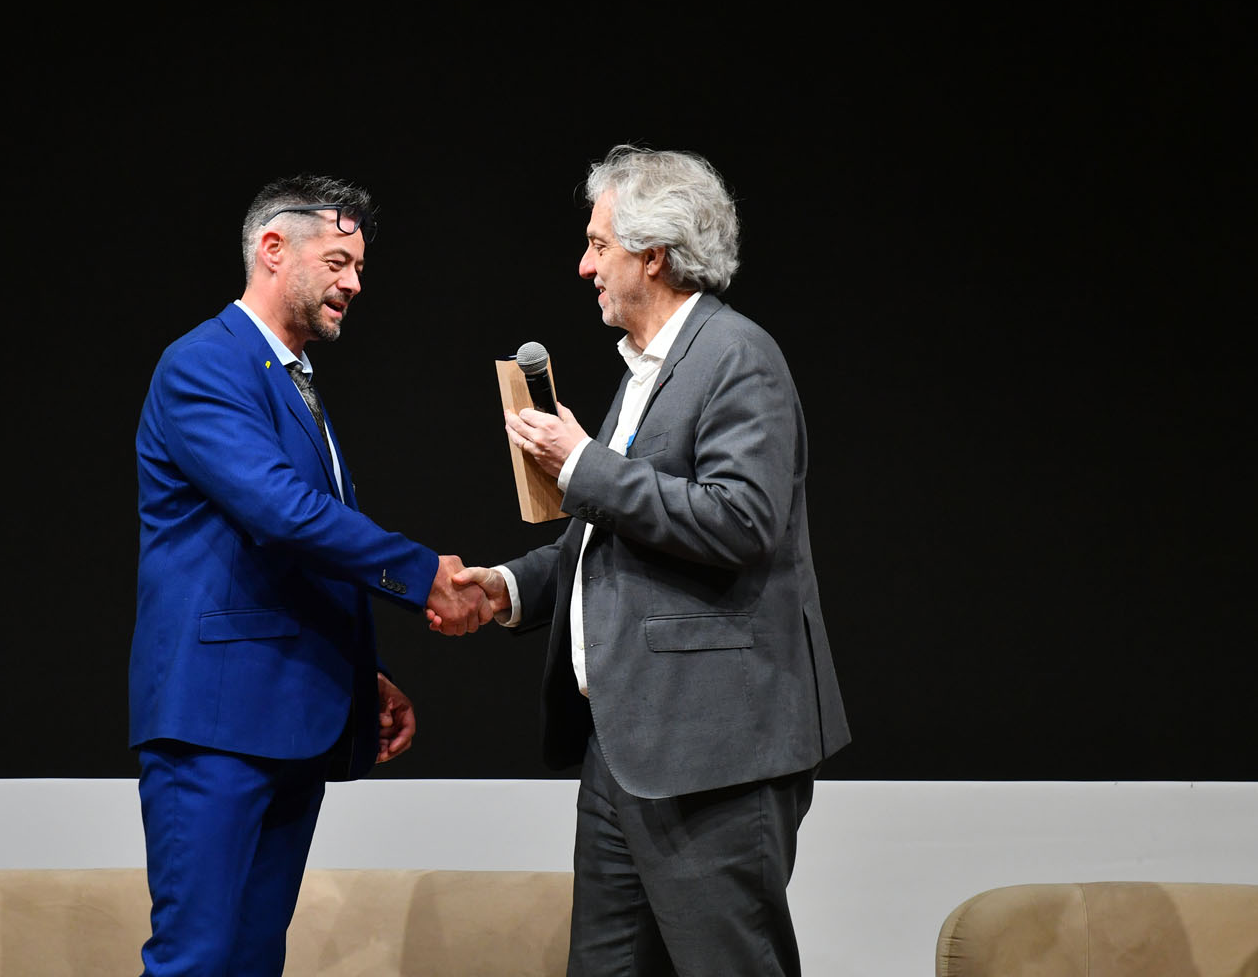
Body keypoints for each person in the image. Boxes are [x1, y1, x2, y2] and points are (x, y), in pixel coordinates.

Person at [453, 145, 851, 976]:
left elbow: (741, 521)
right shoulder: (647, 370)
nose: (584, 265)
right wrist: (508, 589)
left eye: (599, 244)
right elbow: (609, 536)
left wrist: (580, 463)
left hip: (713, 751)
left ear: (654, 255)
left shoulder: (736, 356)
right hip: (625, 748)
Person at [130, 173, 489, 976]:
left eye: (358, 267)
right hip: (214, 727)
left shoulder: (289, 378)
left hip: (289, 721)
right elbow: (284, 514)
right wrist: (424, 575)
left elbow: (301, 556)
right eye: (337, 262)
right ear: (272, 249)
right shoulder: (202, 364)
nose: (354, 283)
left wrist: (363, 671)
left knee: (255, 959)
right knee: (198, 961)